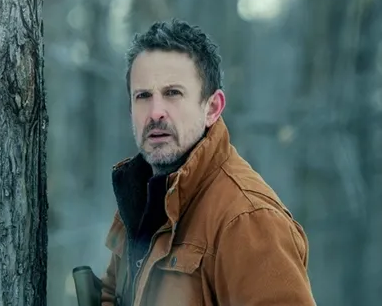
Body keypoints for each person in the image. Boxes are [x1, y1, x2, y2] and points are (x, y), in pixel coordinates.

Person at [99, 19, 317, 306]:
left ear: (212, 108)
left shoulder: (248, 220)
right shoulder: (140, 197)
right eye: (143, 96)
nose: (155, 112)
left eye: (173, 93)